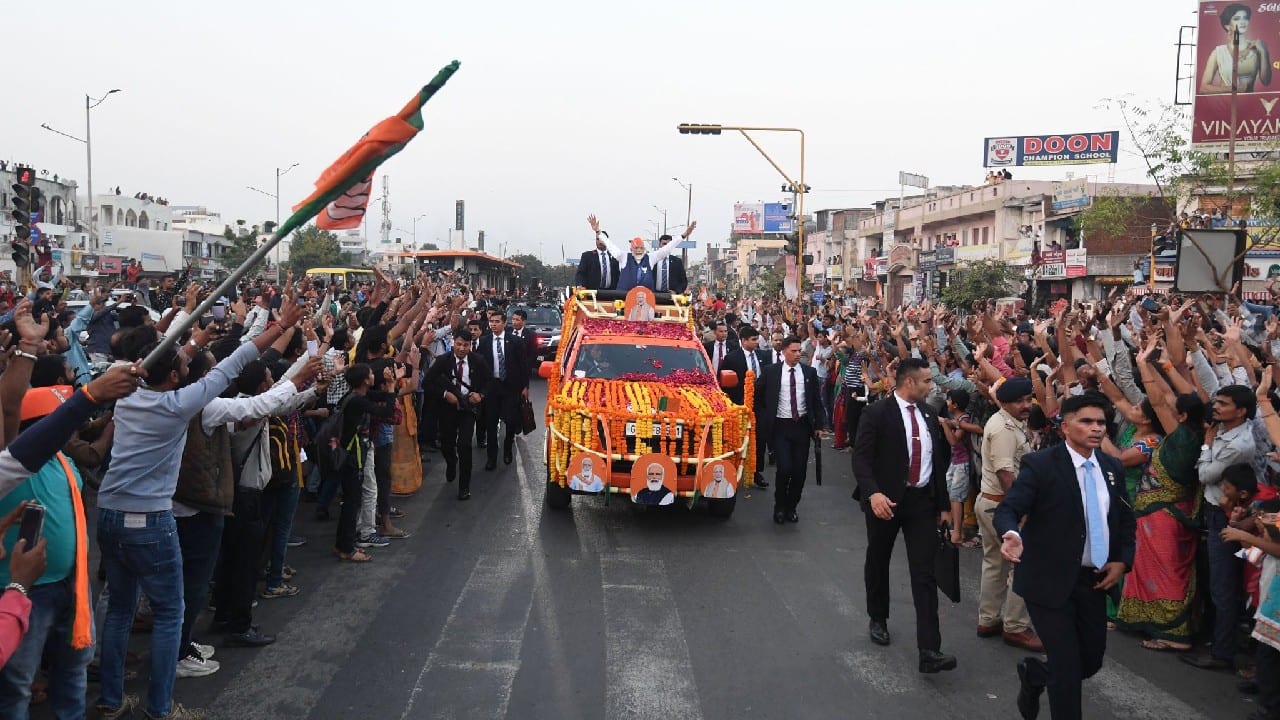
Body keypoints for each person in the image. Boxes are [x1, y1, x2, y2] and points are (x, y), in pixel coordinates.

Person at [94, 302, 303, 720]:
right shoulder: (179, 406)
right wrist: (280, 325)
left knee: (119, 609)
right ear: (173, 375)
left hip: (109, 514)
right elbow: (233, 364)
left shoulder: (126, 393)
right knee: (172, 613)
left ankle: (111, 700)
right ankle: (160, 708)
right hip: (151, 520)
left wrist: (193, 341)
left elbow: (191, 362)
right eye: (183, 364)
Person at [995, 393, 1136, 720]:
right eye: (1087, 421)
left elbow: (1126, 520)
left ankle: (1035, 676)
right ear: (1065, 426)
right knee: (1067, 671)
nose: (1096, 429)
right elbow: (1010, 508)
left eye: (1101, 422)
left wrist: (1122, 560)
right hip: (1048, 581)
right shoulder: (1042, 465)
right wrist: (1012, 535)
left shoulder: (1111, 467)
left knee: (1090, 661)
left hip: (1093, 581)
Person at [851, 357, 956, 674]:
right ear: (909, 382)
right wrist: (873, 493)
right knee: (879, 559)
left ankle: (929, 649)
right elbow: (862, 459)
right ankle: (878, 617)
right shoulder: (877, 413)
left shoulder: (929, 413)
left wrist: (943, 505)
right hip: (885, 502)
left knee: (925, 574)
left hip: (922, 503)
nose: (931, 386)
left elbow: (937, 462)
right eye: (926, 381)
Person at [1183, 384, 1257, 671]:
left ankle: (1222, 653)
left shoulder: (1238, 444)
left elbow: (1204, 474)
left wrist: (1206, 444)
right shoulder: (1226, 430)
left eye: (1223, 404)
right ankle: (1217, 640)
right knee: (1217, 584)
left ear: (1240, 411)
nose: (1215, 407)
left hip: (1225, 517)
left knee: (1223, 587)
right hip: (1214, 512)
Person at [974, 378, 1043, 652]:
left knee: (995, 564)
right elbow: (1006, 474)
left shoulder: (1008, 422)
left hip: (992, 504)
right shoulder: (1003, 428)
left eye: (1028, 400)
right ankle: (1015, 626)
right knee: (1021, 564)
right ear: (1004, 402)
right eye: (1020, 401)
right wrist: (1020, 510)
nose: (1026, 406)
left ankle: (988, 620)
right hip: (1001, 505)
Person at [754, 336, 821, 524]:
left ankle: (792, 506)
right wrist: (762, 416)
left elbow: (816, 401)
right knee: (784, 468)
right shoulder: (771, 372)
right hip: (780, 427)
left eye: (800, 351)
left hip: (801, 426)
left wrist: (819, 426)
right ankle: (779, 506)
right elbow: (756, 395)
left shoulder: (809, 373)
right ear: (784, 352)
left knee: (799, 471)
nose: (798, 354)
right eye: (794, 351)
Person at [424, 330, 489, 501]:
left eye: (465, 345)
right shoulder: (442, 361)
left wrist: (480, 395)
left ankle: (464, 486)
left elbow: (489, 382)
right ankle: (451, 463)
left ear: (470, 346)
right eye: (459, 344)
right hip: (447, 409)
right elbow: (428, 383)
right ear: (453, 343)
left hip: (468, 410)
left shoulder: (478, 361)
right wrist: (445, 394)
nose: (461, 348)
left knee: (465, 445)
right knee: (447, 444)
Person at [473, 310, 529, 471]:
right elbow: (478, 365)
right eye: (491, 321)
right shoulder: (484, 342)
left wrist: (525, 386)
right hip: (492, 387)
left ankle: (507, 448)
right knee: (491, 422)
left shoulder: (516, 341)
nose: (493, 324)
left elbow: (523, 365)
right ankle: (491, 457)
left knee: (511, 420)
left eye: (497, 321)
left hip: (511, 387)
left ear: (504, 323)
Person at [720, 325, 769, 488]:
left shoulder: (764, 356)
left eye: (757, 339)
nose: (756, 343)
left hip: (760, 404)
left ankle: (756, 471)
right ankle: (733, 469)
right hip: (739, 404)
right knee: (737, 437)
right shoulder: (732, 358)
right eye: (753, 340)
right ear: (744, 341)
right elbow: (724, 382)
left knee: (760, 438)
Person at [588, 215, 688, 293]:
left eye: (641, 248)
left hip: (647, 301)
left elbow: (667, 248)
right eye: (636, 248)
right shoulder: (623, 257)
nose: (639, 250)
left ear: (644, 249)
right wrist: (598, 231)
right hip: (625, 299)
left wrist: (683, 235)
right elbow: (610, 245)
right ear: (631, 249)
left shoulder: (650, 258)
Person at [1199, 3, 1272, 95]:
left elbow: (1266, 81)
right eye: (1237, 19)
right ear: (1227, 26)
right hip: (1225, 105)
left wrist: (1264, 52)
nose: (1242, 22)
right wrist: (1234, 88)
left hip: (1251, 103)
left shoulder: (1258, 47)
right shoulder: (1218, 52)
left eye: (1245, 18)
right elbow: (1203, 88)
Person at [574, 226, 620, 291]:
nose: (599, 242)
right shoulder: (587, 256)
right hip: (592, 293)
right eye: (597, 239)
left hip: (611, 293)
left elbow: (618, 275)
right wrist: (579, 285)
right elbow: (580, 274)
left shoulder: (614, 257)